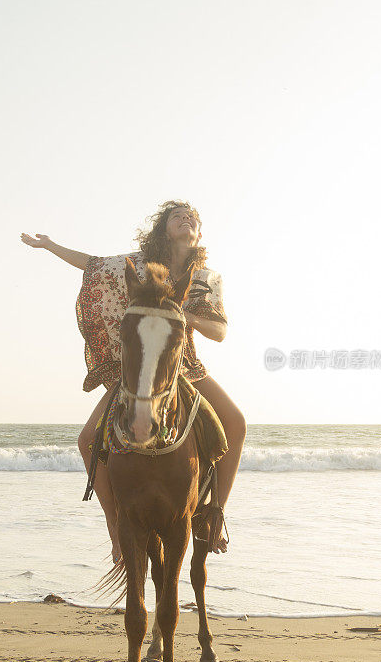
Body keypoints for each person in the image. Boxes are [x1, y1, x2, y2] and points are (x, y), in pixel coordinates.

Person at [21, 200, 246, 563]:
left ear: (199, 233)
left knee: (236, 423)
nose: (186, 220)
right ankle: (115, 527)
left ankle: (214, 514)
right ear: (164, 228)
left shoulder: (206, 278)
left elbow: (219, 331)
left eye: (193, 219)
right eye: (178, 216)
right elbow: (94, 266)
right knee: (88, 439)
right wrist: (50, 246)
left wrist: (185, 316)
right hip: (142, 368)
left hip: (184, 364)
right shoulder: (141, 267)